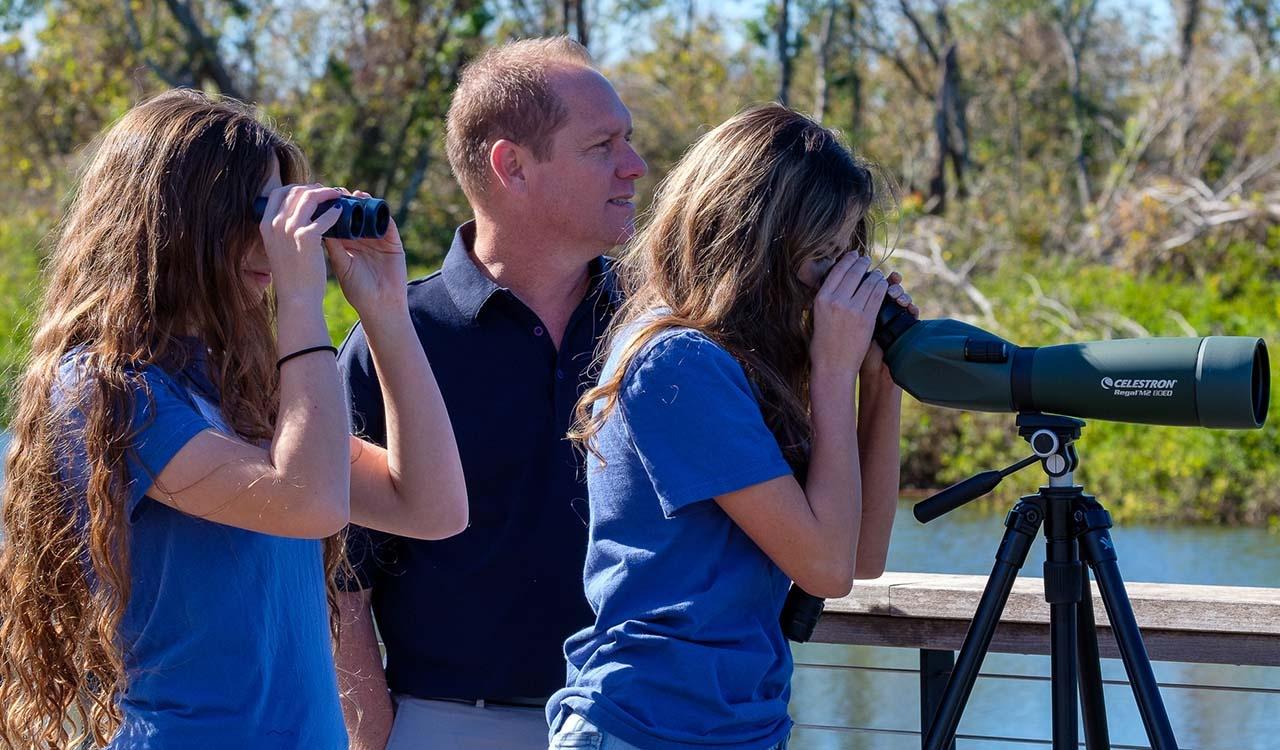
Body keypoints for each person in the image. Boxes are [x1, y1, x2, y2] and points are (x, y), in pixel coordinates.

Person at [0, 89, 467, 748]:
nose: (271, 243)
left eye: (280, 214)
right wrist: (303, 296)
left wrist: (386, 313)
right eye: (253, 213)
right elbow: (308, 503)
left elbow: (432, 507)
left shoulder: (241, 388)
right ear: (171, 223)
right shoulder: (108, 391)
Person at [548, 103, 917, 750]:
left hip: (738, 728)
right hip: (646, 726)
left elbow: (860, 557)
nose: (833, 283)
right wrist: (833, 370)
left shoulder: (747, 364)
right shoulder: (676, 362)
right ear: (754, 245)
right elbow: (826, 571)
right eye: (820, 257)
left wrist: (881, 382)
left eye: (847, 253)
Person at [335, 37, 646, 750]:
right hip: (446, 728)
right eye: (603, 145)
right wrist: (377, 736)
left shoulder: (663, 332)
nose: (635, 166)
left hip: (642, 724)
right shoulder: (397, 335)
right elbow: (338, 579)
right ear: (513, 167)